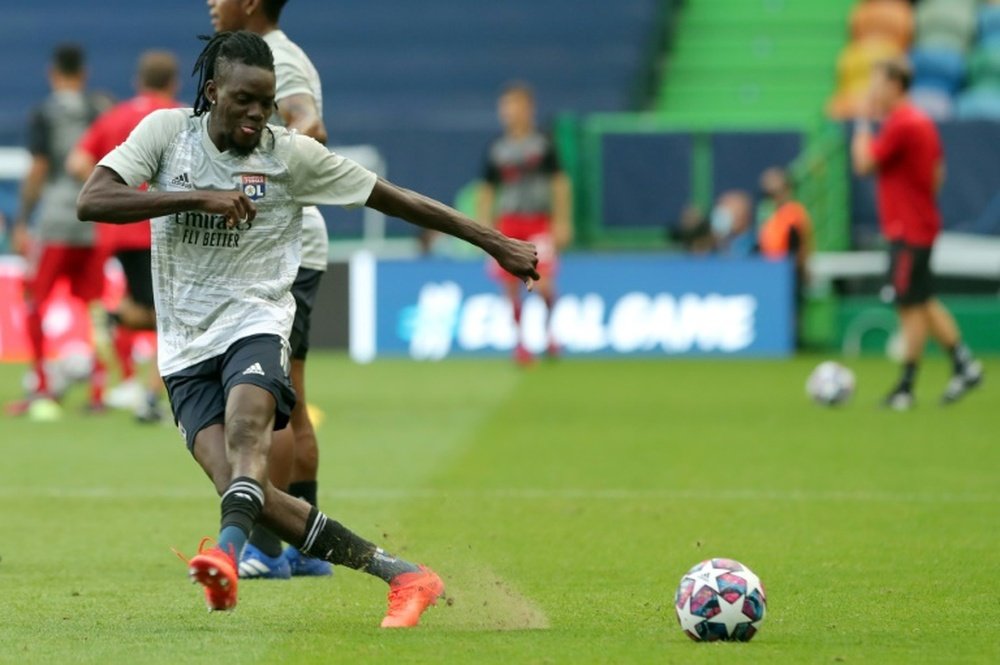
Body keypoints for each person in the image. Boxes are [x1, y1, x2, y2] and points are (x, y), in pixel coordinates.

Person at [76, 31, 538, 624]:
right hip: (185, 345)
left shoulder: (288, 155)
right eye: (243, 99)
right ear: (212, 91)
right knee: (244, 492)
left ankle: (224, 555)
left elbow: (395, 200)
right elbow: (94, 199)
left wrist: (496, 243)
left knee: (249, 439)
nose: (255, 114)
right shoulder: (167, 135)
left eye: (265, 102)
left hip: (257, 318)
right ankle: (404, 574)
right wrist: (197, 199)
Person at [206, 0, 334, 581]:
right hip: (286, 249)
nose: (211, 1)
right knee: (293, 404)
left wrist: (266, 171)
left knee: (271, 409)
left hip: (282, 251)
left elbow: (311, 124)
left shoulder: (280, 59)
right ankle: (306, 548)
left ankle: (270, 549)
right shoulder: (268, 55)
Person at [851, 58, 983, 410]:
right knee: (923, 300)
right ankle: (962, 364)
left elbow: (863, 163)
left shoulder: (901, 123)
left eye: (877, 81)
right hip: (920, 223)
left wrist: (862, 123)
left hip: (907, 229)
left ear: (895, 85)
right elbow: (938, 173)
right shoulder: (921, 121)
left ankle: (906, 387)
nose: (872, 90)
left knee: (908, 305)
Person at [66, 50, 182, 423]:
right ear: (173, 82)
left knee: (157, 314)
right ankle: (149, 401)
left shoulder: (114, 117)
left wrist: (115, 196)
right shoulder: (180, 119)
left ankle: (112, 320)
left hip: (119, 232)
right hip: (161, 231)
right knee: (176, 319)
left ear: (138, 81)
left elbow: (77, 163)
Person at [7, 44, 111, 418]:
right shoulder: (98, 110)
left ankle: (43, 387)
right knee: (96, 308)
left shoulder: (44, 114)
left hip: (54, 223)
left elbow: (37, 171)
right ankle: (99, 391)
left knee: (36, 302)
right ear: (83, 75)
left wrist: (22, 221)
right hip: (93, 221)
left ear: (53, 74)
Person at [477, 82, 571, 365]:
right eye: (505, 107)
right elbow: (488, 189)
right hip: (509, 222)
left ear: (529, 109)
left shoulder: (543, 144)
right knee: (509, 286)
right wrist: (483, 228)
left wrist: (563, 221)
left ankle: (549, 331)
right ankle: (520, 343)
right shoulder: (497, 149)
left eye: (515, 106)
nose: (509, 112)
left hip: (539, 222)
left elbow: (559, 183)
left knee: (544, 285)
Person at [757, 167, 813, 348]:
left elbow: (800, 245)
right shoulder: (772, 213)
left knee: (791, 309)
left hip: (788, 270)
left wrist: (800, 268)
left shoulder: (793, 213)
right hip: (771, 270)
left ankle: (792, 344)